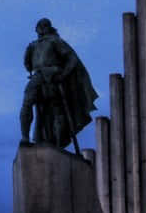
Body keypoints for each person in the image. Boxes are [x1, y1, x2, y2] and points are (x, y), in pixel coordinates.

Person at [19, 17, 99, 151]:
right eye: (40, 26)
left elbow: (72, 58)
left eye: (44, 26)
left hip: (53, 75)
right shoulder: (33, 45)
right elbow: (27, 65)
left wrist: (63, 74)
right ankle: (25, 137)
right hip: (38, 76)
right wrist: (28, 57)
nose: (41, 28)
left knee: (57, 109)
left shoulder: (55, 41)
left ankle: (58, 143)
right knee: (27, 102)